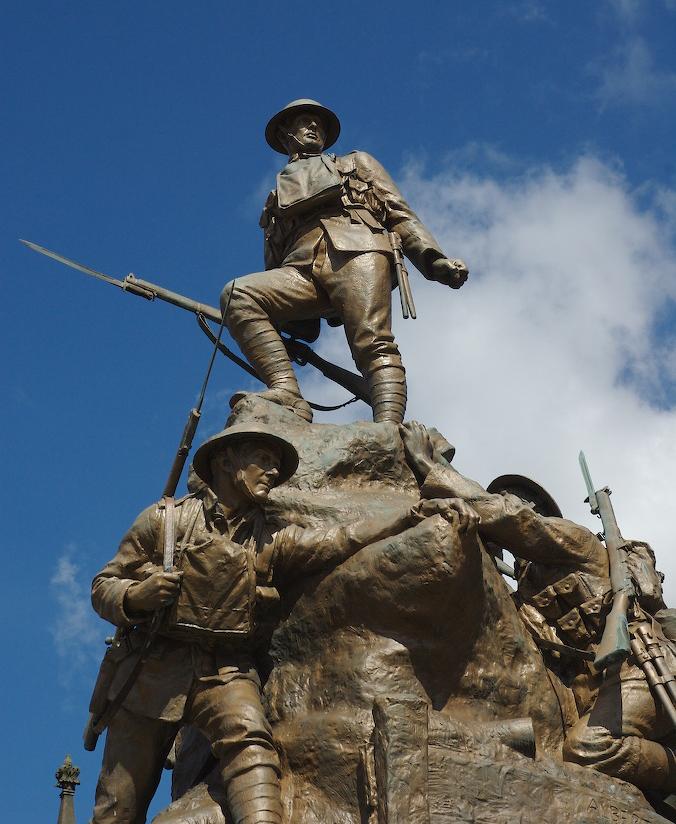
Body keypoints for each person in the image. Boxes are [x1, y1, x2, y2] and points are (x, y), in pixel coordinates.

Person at [89, 421, 465, 824]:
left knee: (252, 751)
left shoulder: (271, 538)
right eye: (262, 460)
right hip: (150, 673)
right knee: (118, 805)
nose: (271, 471)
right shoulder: (164, 521)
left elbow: (340, 538)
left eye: (274, 464)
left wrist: (409, 515)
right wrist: (135, 597)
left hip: (224, 670)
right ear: (225, 461)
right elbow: (104, 585)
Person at [399, 420, 676, 796]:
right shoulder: (523, 598)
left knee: (585, 747)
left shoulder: (575, 543)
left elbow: (515, 521)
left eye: (515, 499)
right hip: (588, 693)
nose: (509, 503)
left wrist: (433, 469)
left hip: (640, 669)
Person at [221, 99, 469, 425]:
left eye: (319, 123)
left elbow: (399, 212)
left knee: (372, 342)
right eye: (305, 121)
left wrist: (432, 260)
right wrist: (275, 330)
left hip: (359, 250)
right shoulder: (273, 200)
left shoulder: (355, 163)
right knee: (237, 295)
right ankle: (286, 392)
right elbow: (273, 261)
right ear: (285, 134)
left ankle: (389, 428)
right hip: (300, 271)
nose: (314, 127)